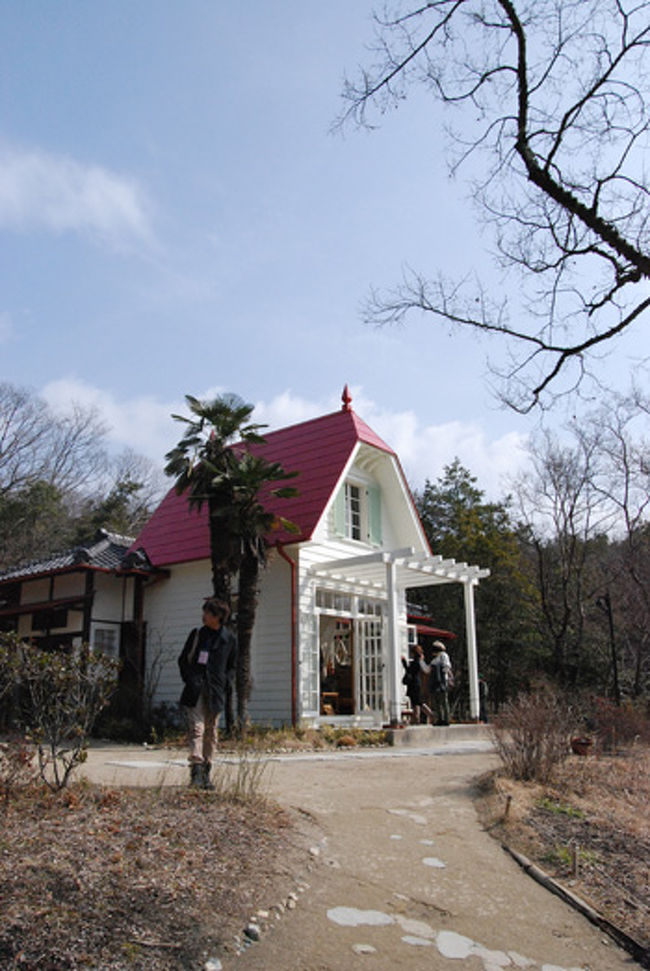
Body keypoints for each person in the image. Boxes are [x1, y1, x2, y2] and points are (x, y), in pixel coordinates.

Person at [178, 597, 237, 789]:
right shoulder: (197, 635)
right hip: (196, 689)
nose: (203, 616)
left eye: (208, 613)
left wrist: (226, 683)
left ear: (218, 616)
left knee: (211, 731)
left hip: (216, 691)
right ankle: (195, 770)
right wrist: (190, 679)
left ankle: (206, 772)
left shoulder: (229, 639)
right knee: (197, 728)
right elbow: (183, 660)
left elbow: (232, 666)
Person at [419, 640, 452, 726]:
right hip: (436, 683)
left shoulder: (443, 656)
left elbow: (447, 666)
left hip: (442, 682)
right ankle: (440, 719)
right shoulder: (434, 660)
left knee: (443, 701)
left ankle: (446, 719)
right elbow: (427, 669)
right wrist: (421, 661)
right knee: (437, 702)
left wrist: (442, 675)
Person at [401, 645, 424, 723]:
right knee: (417, 702)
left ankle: (417, 717)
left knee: (416, 702)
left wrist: (404, 663)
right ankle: (416, 717)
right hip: (416, 683)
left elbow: (409, 671)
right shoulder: (419, 661)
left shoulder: (415, 662)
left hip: (413, 684)